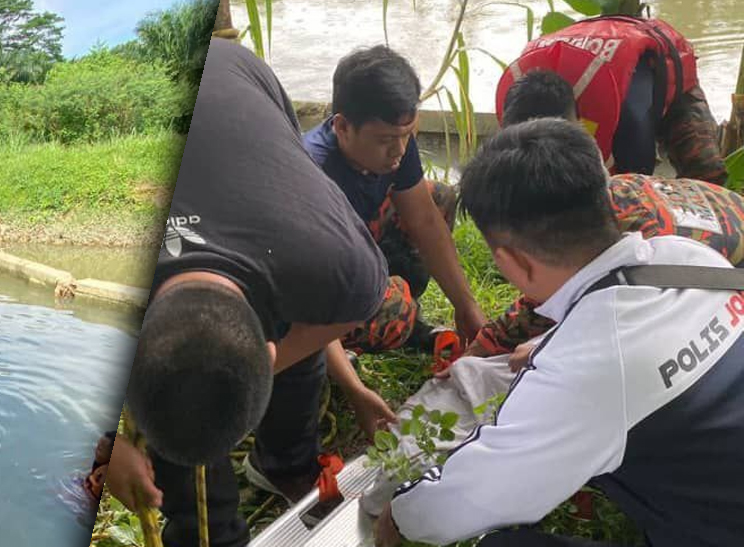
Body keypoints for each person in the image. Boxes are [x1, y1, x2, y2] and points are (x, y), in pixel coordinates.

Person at [376, 118, 744, 547]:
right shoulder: (691, 258)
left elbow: (468, 500)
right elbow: (627, 333)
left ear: (511, 261)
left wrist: (403, 511)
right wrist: (552, 347)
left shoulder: (591, 371)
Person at [106, 38, 389, 547]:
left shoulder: (339, 262)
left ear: (269, 347)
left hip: (234, 77)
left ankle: (285, 462)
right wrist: (110, 451)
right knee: (185, 407)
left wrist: (266, 377)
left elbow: (338, 318)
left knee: (224, 382)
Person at [467, 88, 744, 360]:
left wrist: (546, 349)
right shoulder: (611, 190)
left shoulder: (643, 259)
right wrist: (486, 343)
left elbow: (618, 337)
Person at [303, 46, 487, 363]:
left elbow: (425, 220)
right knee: (395, 311)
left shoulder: (394, 142)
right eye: (386, 140)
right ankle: (378, 332)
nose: (399, 150)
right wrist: (354, 389)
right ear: (343, 127)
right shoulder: (313, 178)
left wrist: (467, 307)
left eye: (407, 134)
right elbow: (307, 297)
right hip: (316, 290)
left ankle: (400, 306)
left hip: (356, 246)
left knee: (438, 197)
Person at [495, 16, 725, 184]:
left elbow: (636, 182)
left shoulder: (631, 118)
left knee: (707, 172)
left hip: (659, 72)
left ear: (575, 122)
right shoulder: (519, 94)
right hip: (597, 67)